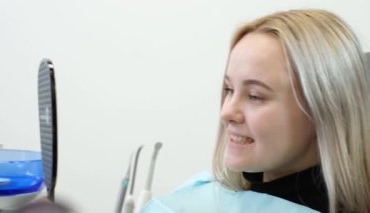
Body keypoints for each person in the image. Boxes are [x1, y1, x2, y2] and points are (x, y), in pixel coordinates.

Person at [140, 9, 370, 213]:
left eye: (254, 96)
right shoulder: (194, 199)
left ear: (325, 110)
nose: (227, 112)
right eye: (229, 89)